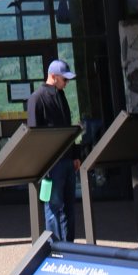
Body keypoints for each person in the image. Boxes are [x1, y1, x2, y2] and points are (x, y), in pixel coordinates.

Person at [27, 58, 81, 242]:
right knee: (53, 207)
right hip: (51, 164)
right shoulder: (37, 98)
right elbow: (34, 136)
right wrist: (42, 166)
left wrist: (75, 155)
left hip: (67, 160)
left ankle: (69, 246)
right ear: (53, 76)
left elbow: (68, 127)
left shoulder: (61, 96)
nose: (67, 83)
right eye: (64, 79)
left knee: (69, 207)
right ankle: (56, 248)